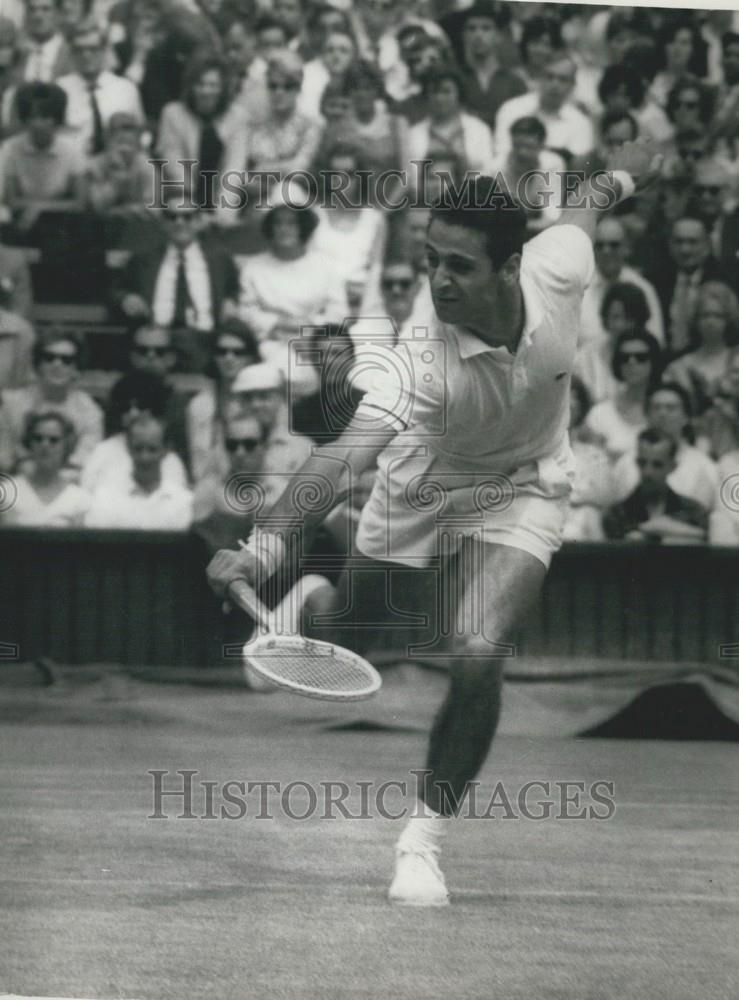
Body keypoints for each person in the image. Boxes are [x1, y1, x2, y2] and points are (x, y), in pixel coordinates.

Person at [206, 141, 663, 906]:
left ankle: (421, 841)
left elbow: (585, 201)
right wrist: (260, 546)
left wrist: (626, 167)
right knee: (344, 632)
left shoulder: (560, 264)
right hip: (424, 477)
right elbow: (337, 461)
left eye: (459, 264)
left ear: (510, 267)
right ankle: (313, 600)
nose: (439, 280)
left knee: (478, 648)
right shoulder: (416, 361)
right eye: (430, 261)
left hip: (527, 481)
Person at [2, 328, 103, 473]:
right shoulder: (11, 403)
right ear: (38, 364)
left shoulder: (89, 411)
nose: (57, 364)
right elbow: (3, 453)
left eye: (66, 360)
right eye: (49, 358)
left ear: (76, 368)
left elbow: (85, 461)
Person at [157, 52, 248, 213]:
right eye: (200, 84)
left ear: (222, 88)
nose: (206, 91)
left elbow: (234, 168)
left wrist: (223, 212)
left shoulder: (237, 117)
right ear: (191, 86)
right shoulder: (173, 114)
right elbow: (174, 164)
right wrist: (193, 210)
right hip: (182, 196)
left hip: (223, 198)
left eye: (213, 85)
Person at [610, 382, 719, 512]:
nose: (662, 413)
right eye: (656, 408)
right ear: (647, 416)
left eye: (671, 408)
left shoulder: (705, 467)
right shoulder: (626, 463)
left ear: (686, 417)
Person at [81, 369, 188, 495]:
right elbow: (86, 495)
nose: (133, 413)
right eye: (126, 407)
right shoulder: (102, 452)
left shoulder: (169, 459)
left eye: (141, 405)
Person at [85, 413, 193, 530]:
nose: (144, 457)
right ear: (128, 448)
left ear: (166, 450)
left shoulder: (183, 502)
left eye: (152, 449)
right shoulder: (105, 498)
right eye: (138, 448)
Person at [187, 318, 261, 483]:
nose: (229, 358)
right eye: (222, 351)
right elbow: (198, 464)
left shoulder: (260, 404)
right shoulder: (200, 405)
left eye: (238, 352)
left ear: (251, 357)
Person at [603, 428, 707, 543]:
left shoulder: (693, 512)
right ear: (636, 462)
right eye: (642, 463)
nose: (648, 472)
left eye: (657, 465)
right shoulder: (617, 515)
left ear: (672, 466)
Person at [57, 21, 144, 159]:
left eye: (93, 48)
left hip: (115, 169)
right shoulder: (59, 90)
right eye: (79, 49)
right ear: (71, 52)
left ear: (104, 50)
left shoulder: (125, 89)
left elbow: (139, 138)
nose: (86, 55)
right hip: (72, 169)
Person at [494, 53, 595, 163]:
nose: (555, 84)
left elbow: (578, 166)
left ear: (573, 85)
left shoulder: (580, 123)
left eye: (563, 79)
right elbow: (501, 155)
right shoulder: (511, 109)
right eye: (549, 77)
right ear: (539, 78)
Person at [192, 411, 267, 552]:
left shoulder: (282, 492)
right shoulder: (208, 493)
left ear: (264, 446)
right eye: (232, 445)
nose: (240, 453)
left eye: (249, 445)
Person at [0, 410, 89, 526]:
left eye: (54, 440)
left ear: (67, 446)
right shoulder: (7, 493)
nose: (45, 445)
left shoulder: (80, 500)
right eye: (38, 438)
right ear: (29, 443)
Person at [584, 328, 662, 460]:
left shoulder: (668, 410)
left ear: (653, 362)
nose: (632, 362)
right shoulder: (600, 414)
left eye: (641, 357)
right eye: (624, 358)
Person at [664, 282, 739, 413]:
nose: (711, 322)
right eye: (705, 315)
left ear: (728, 320)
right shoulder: (678, 368)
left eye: (718, 316)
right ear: (695, 320)